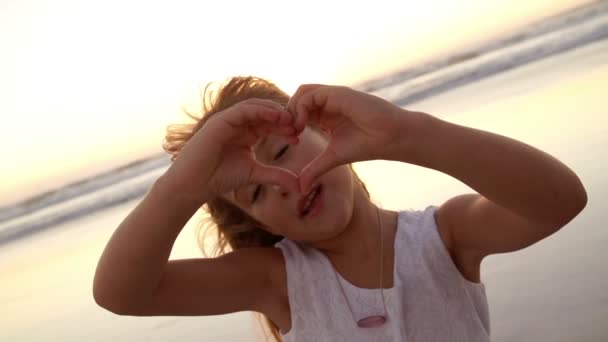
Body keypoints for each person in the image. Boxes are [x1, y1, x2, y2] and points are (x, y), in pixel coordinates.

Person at [93, 76, 587, 342]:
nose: (282, 185)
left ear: (328, 131)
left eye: (282, 153)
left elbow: (558, 201)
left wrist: (406, 133)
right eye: (256, 193)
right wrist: (182, 187)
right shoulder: (278, 281)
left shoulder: (445, 235)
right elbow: (122, 293)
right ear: (257, 223)